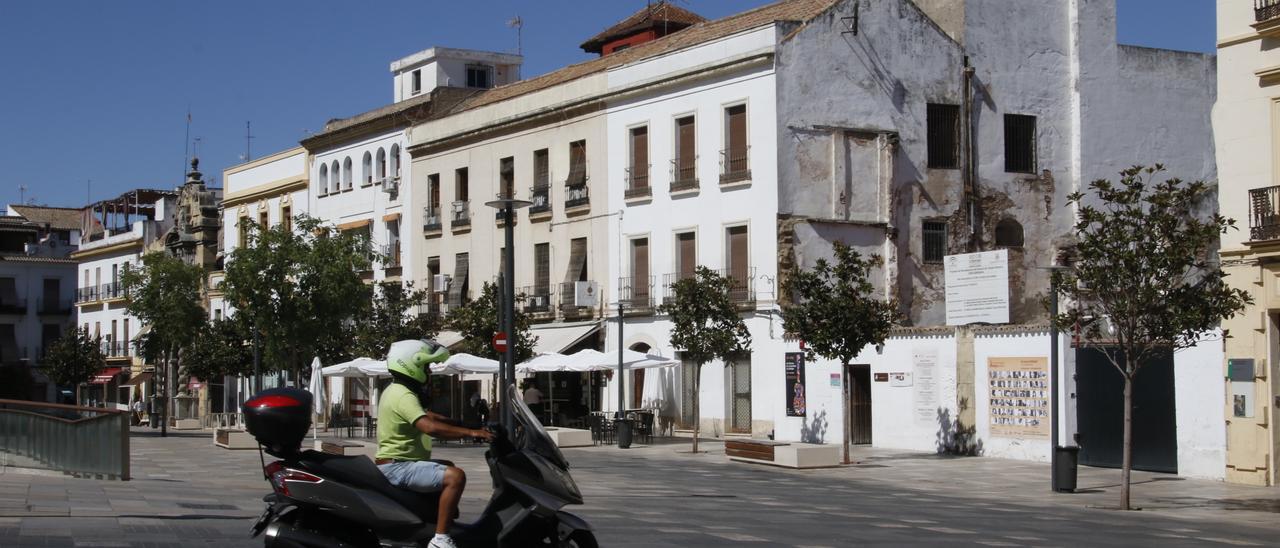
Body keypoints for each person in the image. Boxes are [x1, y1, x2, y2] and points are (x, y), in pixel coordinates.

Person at [377, 339, 493, 548]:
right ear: (411, 365)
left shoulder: (397, 390)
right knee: (455, 477)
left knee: (447, 464)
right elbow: (429, 427)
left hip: (398, 462)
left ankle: (430, 524)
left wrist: (459, 422)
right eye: (426, 366)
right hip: (398, 466)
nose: (429, 372)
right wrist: (471, 432)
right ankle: (440, 539)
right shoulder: (402, 394)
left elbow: (426, 415)